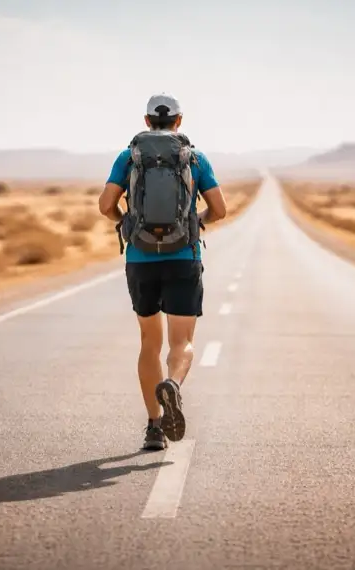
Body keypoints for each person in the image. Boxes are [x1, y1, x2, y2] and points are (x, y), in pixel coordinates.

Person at [98, 93, 227, 451]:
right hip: (183, 257)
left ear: (146, 121)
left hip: (140, 260)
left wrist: (126, 223)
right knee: (182, 341)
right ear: (179, 122)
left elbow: (105, 205)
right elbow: (219, 209)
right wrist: (195, 224)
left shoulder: (129, 157)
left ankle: (154, 427)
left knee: (149, 343)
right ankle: (173, 384)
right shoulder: (194, 158)